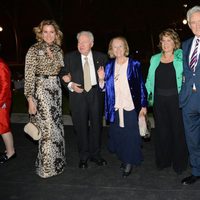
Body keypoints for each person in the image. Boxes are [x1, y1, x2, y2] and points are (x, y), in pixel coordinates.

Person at [98, 36, 147, 177]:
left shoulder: (134, 64)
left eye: (120, 46)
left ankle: (128, 162)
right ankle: (125, 157)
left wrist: (143, 106)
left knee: (130, 136)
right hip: (115, 108)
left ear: (125, 48)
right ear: (111, 50)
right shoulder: (109, 66)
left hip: (131, 106)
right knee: (118, 135)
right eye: (115, 47)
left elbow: (141, 86)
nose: (118, 49)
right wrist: (101, 78)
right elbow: (103, 89)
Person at [60, 31, 108, 169]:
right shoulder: (69, 57)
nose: (81, 45)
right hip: (78, 95)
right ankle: (83, 157)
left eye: (84, 42)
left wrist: (101, 79)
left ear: (91, 44)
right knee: (80, 127)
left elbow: (108, 79)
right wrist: (70, 85)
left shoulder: (102, 57)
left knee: (96, 126)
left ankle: (96, 155)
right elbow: (62, 74)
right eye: (79, 42)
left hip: (95, 94)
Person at [24, 20, 65, 178]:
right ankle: (46, 168)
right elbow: (28, 75)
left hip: (55, 88)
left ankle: (58, 163)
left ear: (56, 34)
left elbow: (58, 68)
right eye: (45, 32)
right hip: (41, 89)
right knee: (47, 128)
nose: (48, 35)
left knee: (56, 127)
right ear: (40, 33)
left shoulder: (57, 49)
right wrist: (29, 98)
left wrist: (52, 56)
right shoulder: (34, 50)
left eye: (52, 32)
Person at [145, 29, 188, 174]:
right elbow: (149, 80)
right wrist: (145, 99)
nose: (166, 43)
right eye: (163, 40)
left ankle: (179, 163)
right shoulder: (154, 58)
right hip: (159, 101)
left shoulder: (181, 56)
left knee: (177, 132)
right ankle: (164, 160)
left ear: (175, 42)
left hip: (176, 100)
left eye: (169, 40)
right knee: (162, 132)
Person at [179, 6, 200, 185]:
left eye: (199, 22)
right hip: (188, 100)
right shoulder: (186, 44)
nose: (196, 26)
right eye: (192, 23)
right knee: (192, 139)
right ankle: (196, 170)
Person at [0, 51, 16, 164]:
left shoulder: (1, 64)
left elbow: (6, 86)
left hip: (2, 101)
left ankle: (11, 152)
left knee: (3, 127)